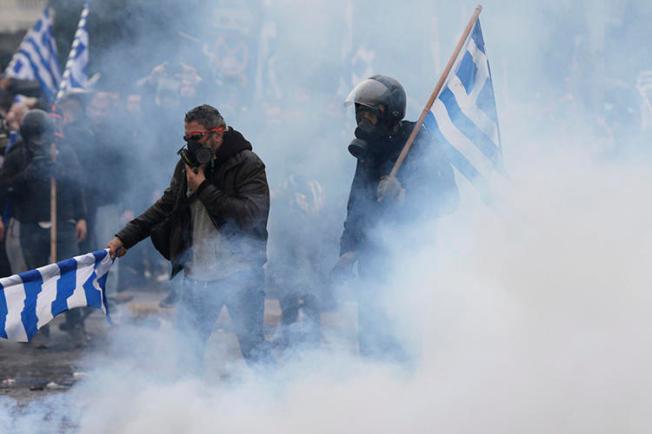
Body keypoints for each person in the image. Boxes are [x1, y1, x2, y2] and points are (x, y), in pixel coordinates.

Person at [107, 104, 270, 371]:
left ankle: (275, 406)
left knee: (254, 349)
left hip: (240, 273)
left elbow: (251, 214)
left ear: (218, 134)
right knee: (188, 352)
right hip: (199, 276)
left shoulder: (248, 164)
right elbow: (165, 206)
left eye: (196, 138)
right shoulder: (188, 164)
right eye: (186, 138)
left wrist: (203, 188)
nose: (190, 144)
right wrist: (124, 238)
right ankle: (190, 408)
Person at [332, 75, 459, 361]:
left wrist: (404, 194)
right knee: (371, 339)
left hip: (408, 259)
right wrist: (348, 249)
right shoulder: (367, 149)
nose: (363, 120)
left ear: (389, 114)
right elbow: (357, 204)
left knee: (404, 337)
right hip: (372, 261)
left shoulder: (420, 141)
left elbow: (449, 198)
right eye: (360, 113)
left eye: (369, 113)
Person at [0, 109, 88, 345]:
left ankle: (75, 322)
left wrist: (81, 216)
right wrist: (28, 174)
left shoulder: (61, 151)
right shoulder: (17, 154)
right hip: (30, 222)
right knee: (36, 276)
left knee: (69, 273)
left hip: (63, 222)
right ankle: (38, 327)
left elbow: (77, 184)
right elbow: (5, 187)